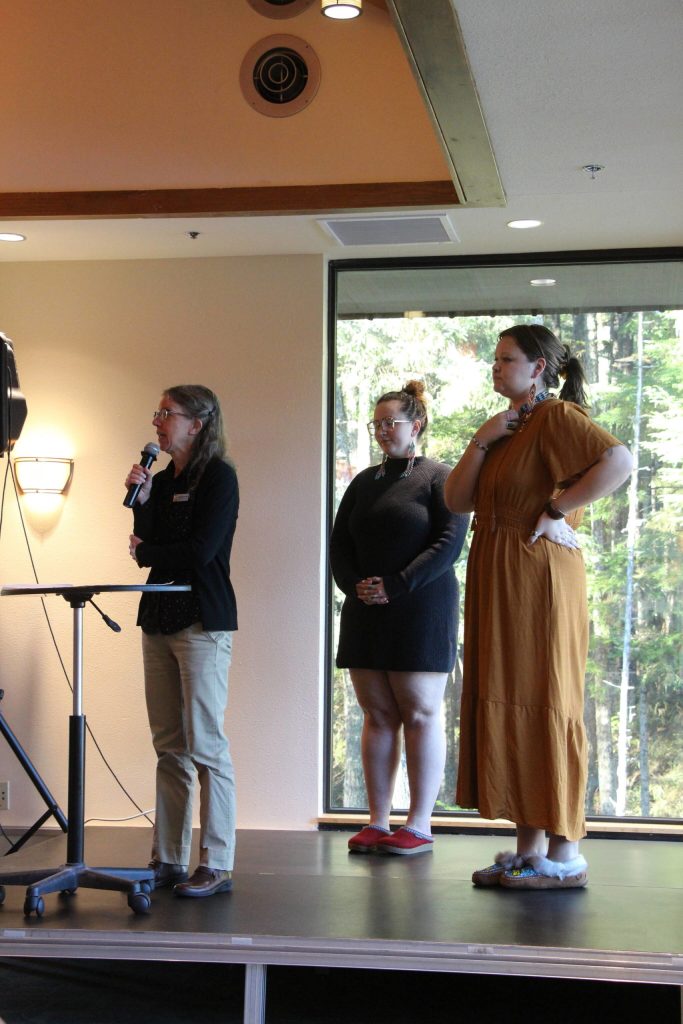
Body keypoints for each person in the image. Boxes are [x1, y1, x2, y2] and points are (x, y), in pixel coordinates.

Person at [444, 324, 632, 889]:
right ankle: (529, 849)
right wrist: (482, 437)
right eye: (496, 360)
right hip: (502, 574)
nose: (496, 368)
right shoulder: (508, 429)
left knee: (546, 696)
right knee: (514, 693)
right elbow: (456, 499)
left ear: (540, 368)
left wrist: (558, 507)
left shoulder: (555, 417)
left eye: (507, 360)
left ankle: (565, 853)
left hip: (539, 579)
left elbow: (618, 462)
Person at [331, 381, 469, 856]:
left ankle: (420, 824)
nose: (383, 431)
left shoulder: (439, 478)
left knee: (420, 712)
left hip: (421, 609)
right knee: (378, 714)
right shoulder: (363, 482)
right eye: (378, 423)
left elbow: (449, 545)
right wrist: (357, 587)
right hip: (366, 609)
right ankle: (377, 821)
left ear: (417, 424)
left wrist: (396, 584)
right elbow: (340, 546)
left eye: (392, 422)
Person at [125, 385, 239, 898]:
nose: (157, 422)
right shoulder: (165, 477)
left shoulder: (219, 477)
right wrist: (141, 501)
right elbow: (142, 544)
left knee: (206, 745)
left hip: (200, 620)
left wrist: (149, 549)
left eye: (166, 414)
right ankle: (168, 857)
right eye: (158, 413)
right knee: (169, 746)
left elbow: (200, 550)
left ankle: (216, 861)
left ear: (197, 423)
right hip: (158, 619)